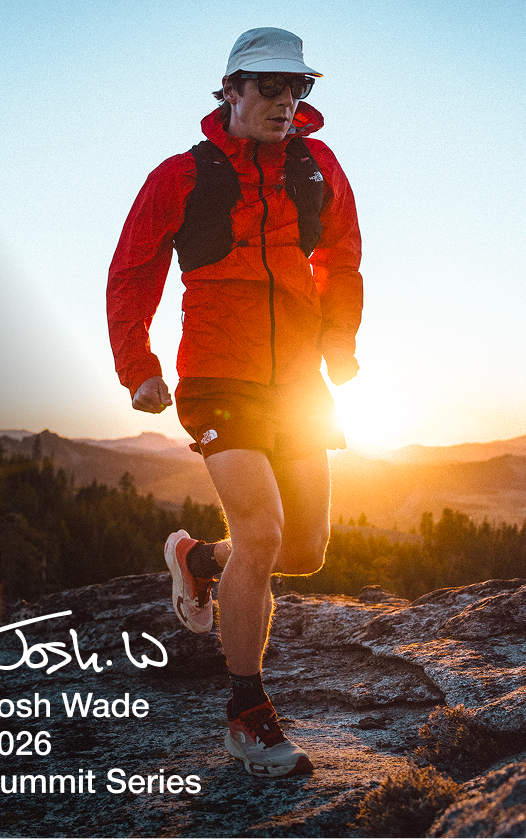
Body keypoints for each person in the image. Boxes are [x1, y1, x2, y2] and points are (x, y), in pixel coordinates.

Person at [107, 27, 363, 778]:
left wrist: (340, 342)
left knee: (306, 550)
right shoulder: (181, 176)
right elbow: (132, 268)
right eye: (270, 86)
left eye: (299, 88)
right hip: (219, 376)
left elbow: (343, 256)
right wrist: (138, 367)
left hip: (297, 387)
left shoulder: (317, 170)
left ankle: (196, 557)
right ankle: (246, 715)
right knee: (262, 528)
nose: (287, 101)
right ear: (231, 90)